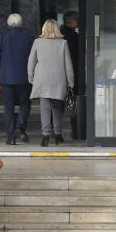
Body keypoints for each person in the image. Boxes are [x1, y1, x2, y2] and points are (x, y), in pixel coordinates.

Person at [0, 14, 35, 145]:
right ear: (21, 24)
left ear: (8, 24)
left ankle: (11, 137)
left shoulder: (2, 38)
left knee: (8, 107)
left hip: (7, 79)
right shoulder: (29, 39)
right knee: (25, 104)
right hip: (25, 78)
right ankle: (21, 126)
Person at [28, 19, 74, 147]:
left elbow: (31, 61)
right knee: (58, 108)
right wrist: (71, 82)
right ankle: (58, 134)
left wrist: (31, 77)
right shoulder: (63, 43)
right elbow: (68, 65)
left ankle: (45, 136)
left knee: (45, 108)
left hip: (42, 79)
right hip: (58, 79)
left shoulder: (37, 42)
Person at [60, 11, 80, 139]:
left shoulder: (60, 35)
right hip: (71, 73)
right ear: (72, 21)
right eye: (77, 20)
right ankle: (76, 130)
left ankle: (56, 131)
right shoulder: (73, 36)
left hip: (59, 74)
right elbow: (76, 56)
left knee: (58, 104)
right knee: (72, 103)